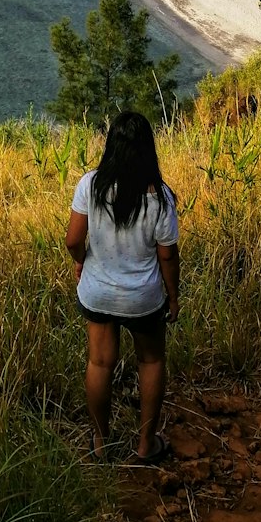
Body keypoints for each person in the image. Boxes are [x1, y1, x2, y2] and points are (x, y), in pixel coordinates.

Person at [65, 111, 180, 464]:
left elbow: (72, 239)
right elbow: (167, 257)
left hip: (98, 291)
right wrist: (173, 297)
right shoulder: (160, 197)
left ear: (110, 146)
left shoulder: (91, 185)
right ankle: (146, 446)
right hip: (143, 298)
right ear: (148, 149)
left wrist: (81, 259)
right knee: (151, 360)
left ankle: (100, 443)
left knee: (99, 363)